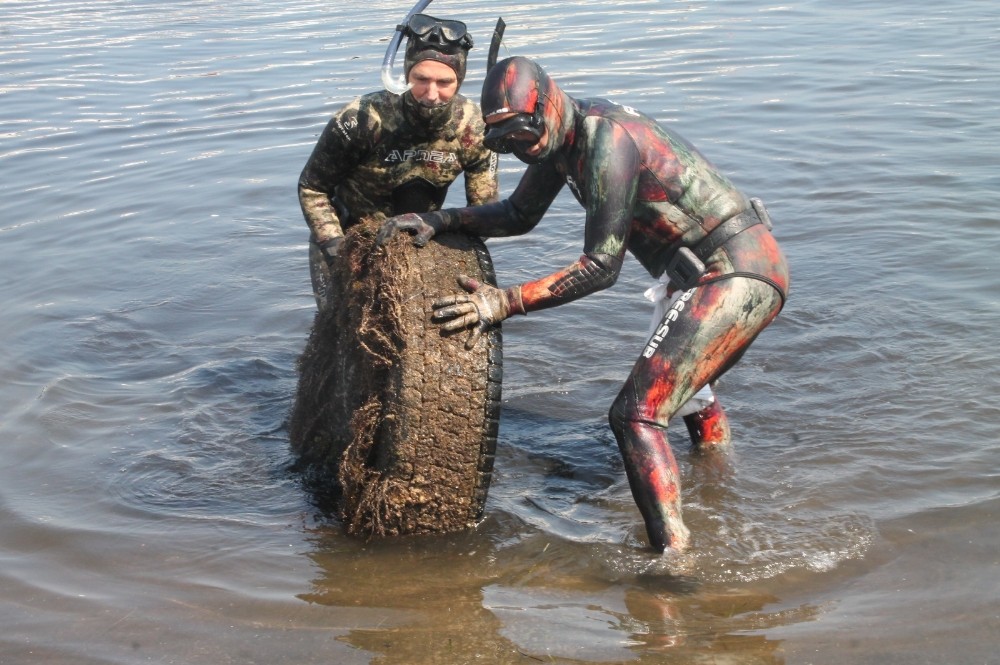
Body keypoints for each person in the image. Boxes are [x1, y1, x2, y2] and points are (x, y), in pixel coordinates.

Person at [377, 55, 789, 553]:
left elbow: (600, 268)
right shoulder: (559, 141)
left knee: (635, 416)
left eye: (526, 135)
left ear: (549, 105)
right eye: (508, 144)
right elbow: (518, 213)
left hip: (738, 271)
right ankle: (718, 480)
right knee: (686, 395)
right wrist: (442, 221)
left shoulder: (605, 140)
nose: (523, 150)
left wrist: (504, 302)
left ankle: (672, 561)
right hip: (708, 275)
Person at [298, 13, 499, 310]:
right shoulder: (362, 119)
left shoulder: (474, 128)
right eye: (421, 79)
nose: (432, 94)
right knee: (341, 325)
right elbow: (313, 188)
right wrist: (335, 247)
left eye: (445, 82)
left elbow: (484, 214)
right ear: (406, 74)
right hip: (347, 238)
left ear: (460, 80)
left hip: (418, 240)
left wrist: (445, 238)